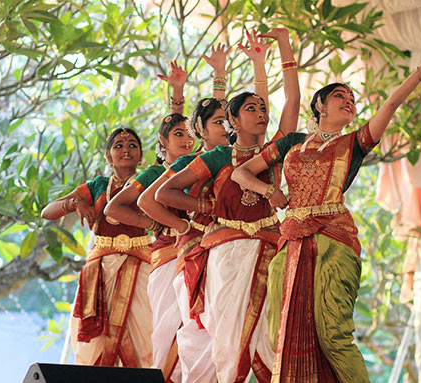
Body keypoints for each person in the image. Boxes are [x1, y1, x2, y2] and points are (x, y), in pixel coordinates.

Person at [231, 18, 421, 383]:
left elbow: (393, 102)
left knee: (333, 335)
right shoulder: (291, 144)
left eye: (352, 99)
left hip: (335, 238)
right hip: (291, 240)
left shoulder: (355, 144)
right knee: (279, 335)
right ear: (320, 105)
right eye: (340, 97)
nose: (349, 102)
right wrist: (272, 191)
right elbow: (242, 173)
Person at [156, 27, 300, 383]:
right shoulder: (219, 155)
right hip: (226, 253)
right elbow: (164, 194)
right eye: (251, 109)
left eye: (263, 108)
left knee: (270, 342)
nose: (261, 113)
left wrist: (283, 47)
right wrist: (202, 209)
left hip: (270, 249)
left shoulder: (274, 151)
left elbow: (294, 102)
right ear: (233, 121)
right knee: (228, 341)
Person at [139, 33, 268, 383]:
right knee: (190, 334)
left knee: (225, 334)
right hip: (188, 253)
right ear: (199, 130)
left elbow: (227, 119)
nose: (226, 126)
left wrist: (223, 75)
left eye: (229, 122)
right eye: (218, 123)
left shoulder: (233, 155)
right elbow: (152, 197)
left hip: (226, 247)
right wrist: (190, 221)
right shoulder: (199, 161)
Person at [106, 47, 229, 383]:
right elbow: (115, 208)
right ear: (162, 141)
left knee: (210, 333)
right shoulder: (155, 174)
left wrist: (218, 76)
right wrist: (168, 224)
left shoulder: (202, 164)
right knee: (168, 338)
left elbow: (215, 125)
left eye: (190, 133)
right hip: (168, 258)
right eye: (179, 135)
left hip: (209, 252)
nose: (187, 138)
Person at [41, 127, 153, 367]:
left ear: (141, 155)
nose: (126, 150)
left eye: (133, 145)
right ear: (107, 155)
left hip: (141, 267)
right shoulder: (97, 186)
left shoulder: (150, 180)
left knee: (143, 336)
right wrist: (74, 202)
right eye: (118, 146)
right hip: (100, 271)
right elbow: (47, 212)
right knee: (95, 343)